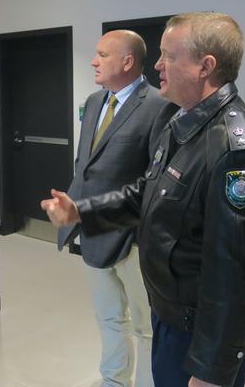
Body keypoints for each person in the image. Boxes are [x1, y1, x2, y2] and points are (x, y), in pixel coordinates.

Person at [42, 12, 245, 387]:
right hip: (170, 316)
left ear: (206, 67)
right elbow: (146, 193)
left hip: (198, 337)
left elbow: (236, 278)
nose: (157, 65)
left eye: (169, 56)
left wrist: (210, 371)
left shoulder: (239, 152)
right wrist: (81, 212)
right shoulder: (186, 125)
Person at [58, 30, 174, 387]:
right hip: (93, 232)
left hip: (132, 240)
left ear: (127, 62)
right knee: (108, 318)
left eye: (102, 54)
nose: (94, 60)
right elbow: (86, 164)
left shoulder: (158, 105)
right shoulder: (95, 101)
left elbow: (154, 183)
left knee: (145, 326)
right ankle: (114, 380)